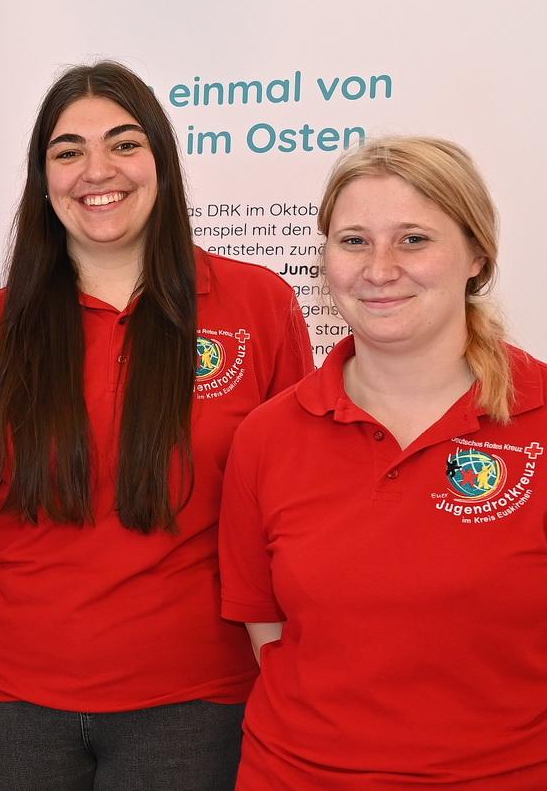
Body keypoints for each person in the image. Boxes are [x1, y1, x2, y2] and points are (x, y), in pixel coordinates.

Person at [0, 62, 312, 791]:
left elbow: (296, 524)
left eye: (124, 144)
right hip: (6, 708)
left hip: (196, 706)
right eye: (68, 151)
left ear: (161, 160)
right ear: (43, 179)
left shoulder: (258, 306)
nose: (96, 170)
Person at [218, 136, 547, 789]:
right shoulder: (268, 436)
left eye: (414, 239)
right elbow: (268, 630)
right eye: (354, 240)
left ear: (477, 255)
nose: (380, 267)